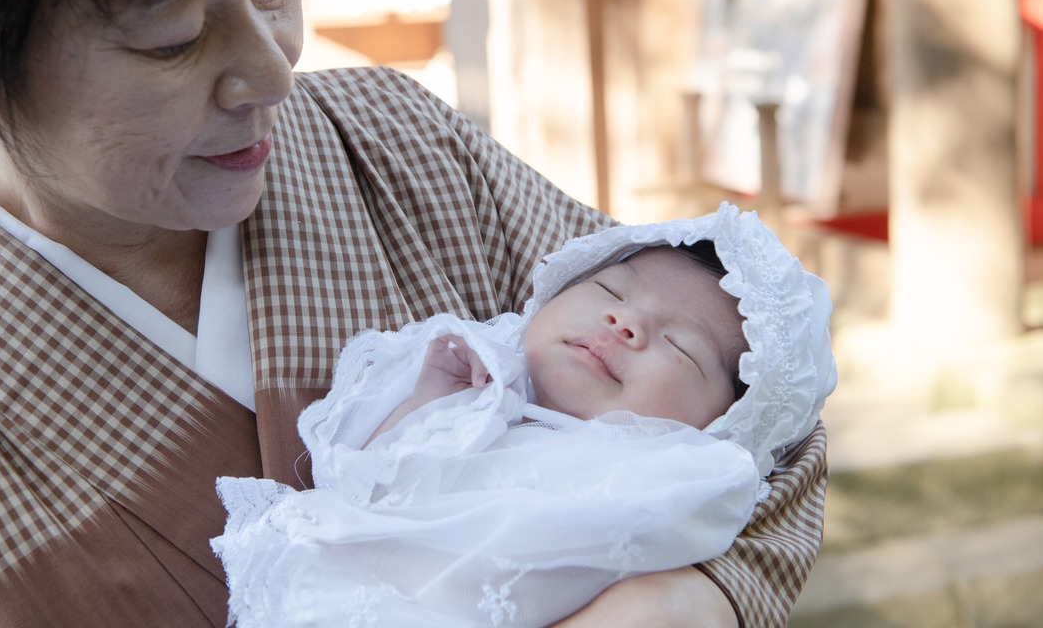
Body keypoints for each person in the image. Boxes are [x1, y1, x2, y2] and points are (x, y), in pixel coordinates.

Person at [0, 0, 829, 626]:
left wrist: (690, 601)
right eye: (173, 37)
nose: (274, 72)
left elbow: (760, 396)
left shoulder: (401, 147)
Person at [212, 204, 837, 627]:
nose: (625, 322)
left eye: (680, 346)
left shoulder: (684, 475)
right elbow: (362, 485)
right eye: (609, 292)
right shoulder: (481, 378)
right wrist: (429, 403)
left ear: (724, 422)